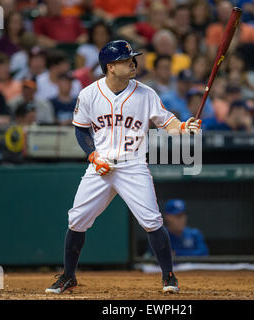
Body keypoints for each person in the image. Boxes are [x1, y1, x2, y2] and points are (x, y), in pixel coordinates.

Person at [45, 40, 202, 295]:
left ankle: (168, 276)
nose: (133, 64)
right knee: (76, 220)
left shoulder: (146, 93)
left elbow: (168, 122)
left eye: (133, 59)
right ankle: (68, 277)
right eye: (127, 60)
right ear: (110, 67)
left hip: (133, 165)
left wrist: (185, 127)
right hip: (101, 165)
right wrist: (93, 156)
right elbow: (81, 129)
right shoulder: (89, 94)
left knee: (152, 221)